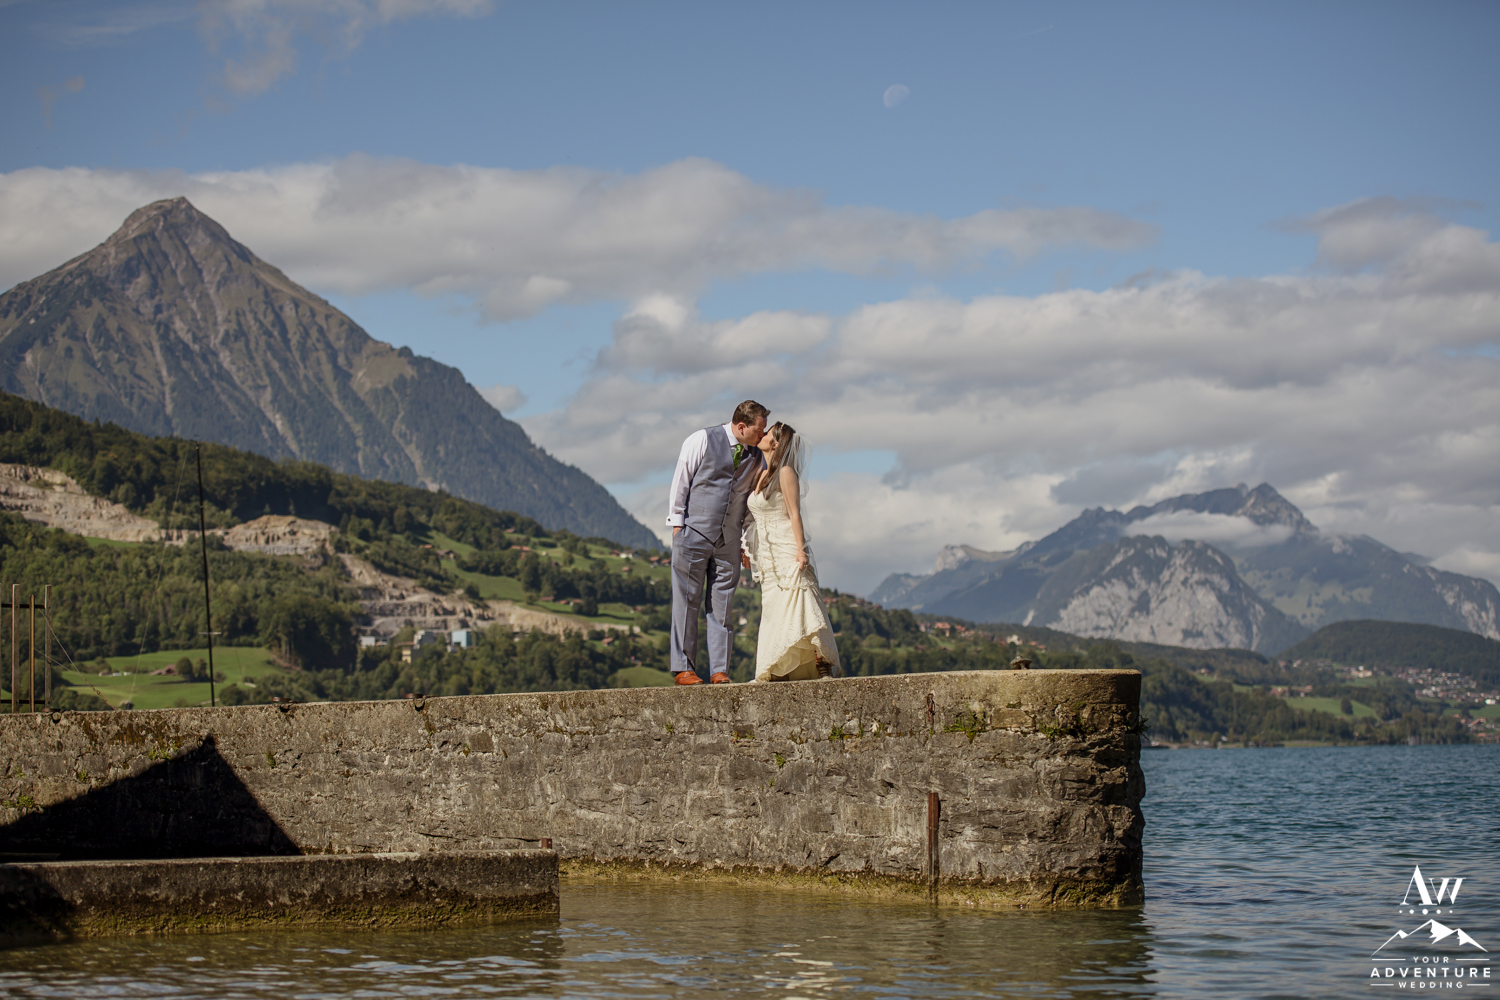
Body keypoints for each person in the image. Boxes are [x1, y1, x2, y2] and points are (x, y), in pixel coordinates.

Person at [666, 400, 769, 685]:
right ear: (741, 426)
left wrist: (746, 545)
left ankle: (719, 670)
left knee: (722, 607)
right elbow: (681, 481)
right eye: (758, 431)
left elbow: (748, 503)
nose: (762, 436)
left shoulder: (757, 458)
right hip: (693, 534)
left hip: (729, 541)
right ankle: (684, 669)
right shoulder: (701, 439)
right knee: (687, 602)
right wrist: (678, 527)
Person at [743, 421, 841, 681]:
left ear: (775, 443)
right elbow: (755, 519)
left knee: (802, 597)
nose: (761, 435)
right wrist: (748, 549)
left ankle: (822, 661)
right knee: (775, 608)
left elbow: (794, 513)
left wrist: (800, 550)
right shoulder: (759, 474)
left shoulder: (786, 472)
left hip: (786, 544)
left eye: (767, 433)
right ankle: (779, 665)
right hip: (767, 552)